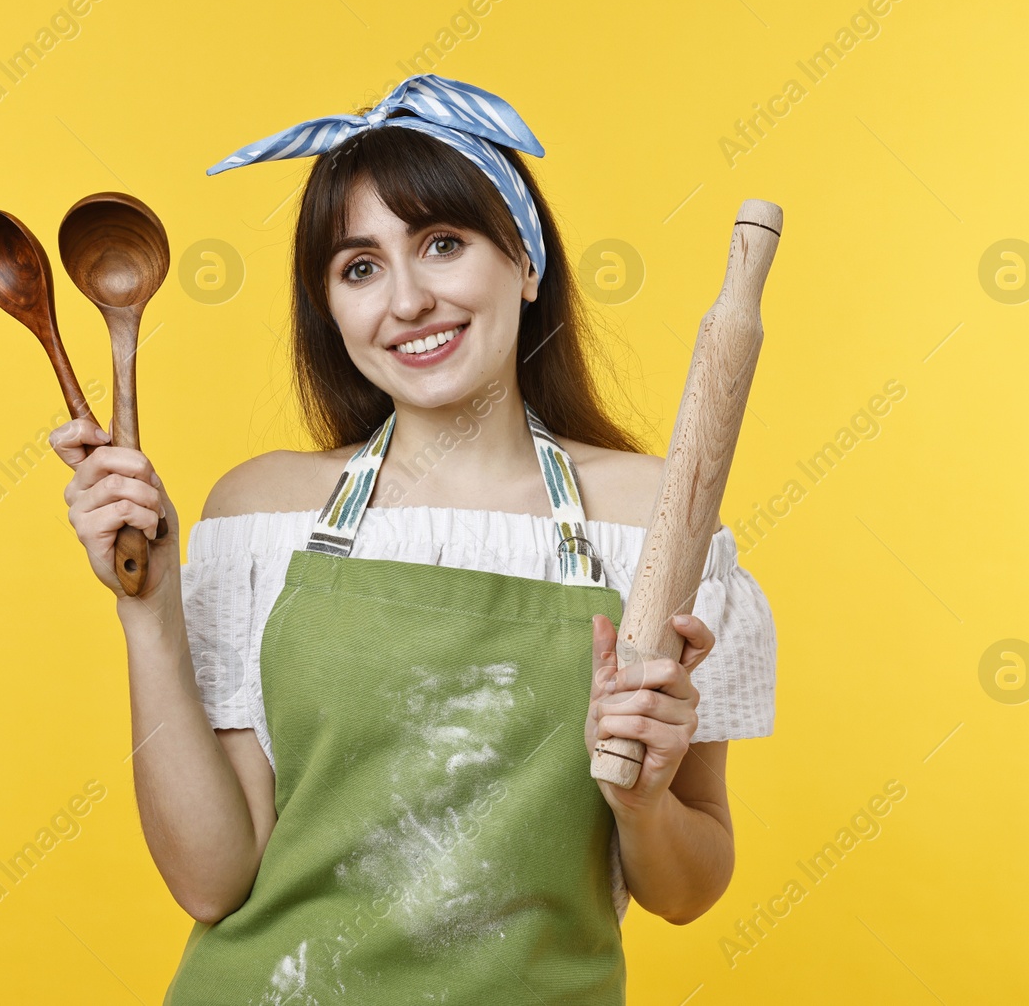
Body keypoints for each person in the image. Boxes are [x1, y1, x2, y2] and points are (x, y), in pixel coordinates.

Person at [52, 74, 776, 1004]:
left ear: (524, 260)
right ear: (332, 308)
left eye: (441, 244)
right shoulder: (266, 513)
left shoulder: (655, 524)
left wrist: (642, 801)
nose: (407, 299)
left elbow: (690, 886)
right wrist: (149, 613)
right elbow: (214, 879)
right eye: (360, 267)